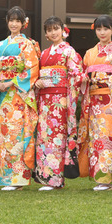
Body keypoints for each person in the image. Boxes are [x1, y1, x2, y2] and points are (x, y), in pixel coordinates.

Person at [0, 6, 40, 191]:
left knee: (17, 133)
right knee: (4, 134)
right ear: (7, 21)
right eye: (11, 20)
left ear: (23, 23)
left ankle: (18, 178)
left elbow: (32, 69)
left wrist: (10, 83)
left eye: (18, 20)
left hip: (18, 94)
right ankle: (6, 177)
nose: (14, 24)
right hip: (3, 95)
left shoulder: (27, 45)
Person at [34, 16, 83, 190]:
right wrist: (38, 83)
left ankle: (55, 179)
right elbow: (38, 75)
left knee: (57, 138)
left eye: (56, 29)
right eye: (49, 30)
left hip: (61, 101)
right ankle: (46, 177)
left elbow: (77, 74)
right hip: (45, 100)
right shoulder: (44, 54)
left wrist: (65, 84)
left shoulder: (68, 51)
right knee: (44, 137)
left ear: (63, 30)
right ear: (46, 34)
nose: (53, 32)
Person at [78, 15, 112, 191]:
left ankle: (106, 180)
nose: (102, 32)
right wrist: (85, 79)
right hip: (93, 101)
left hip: (109, 101)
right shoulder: (90, 53)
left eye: (106, 29)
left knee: (107, 138)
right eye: (99, 29)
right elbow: (83, 74)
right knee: (95, 138)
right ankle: (100, 178)